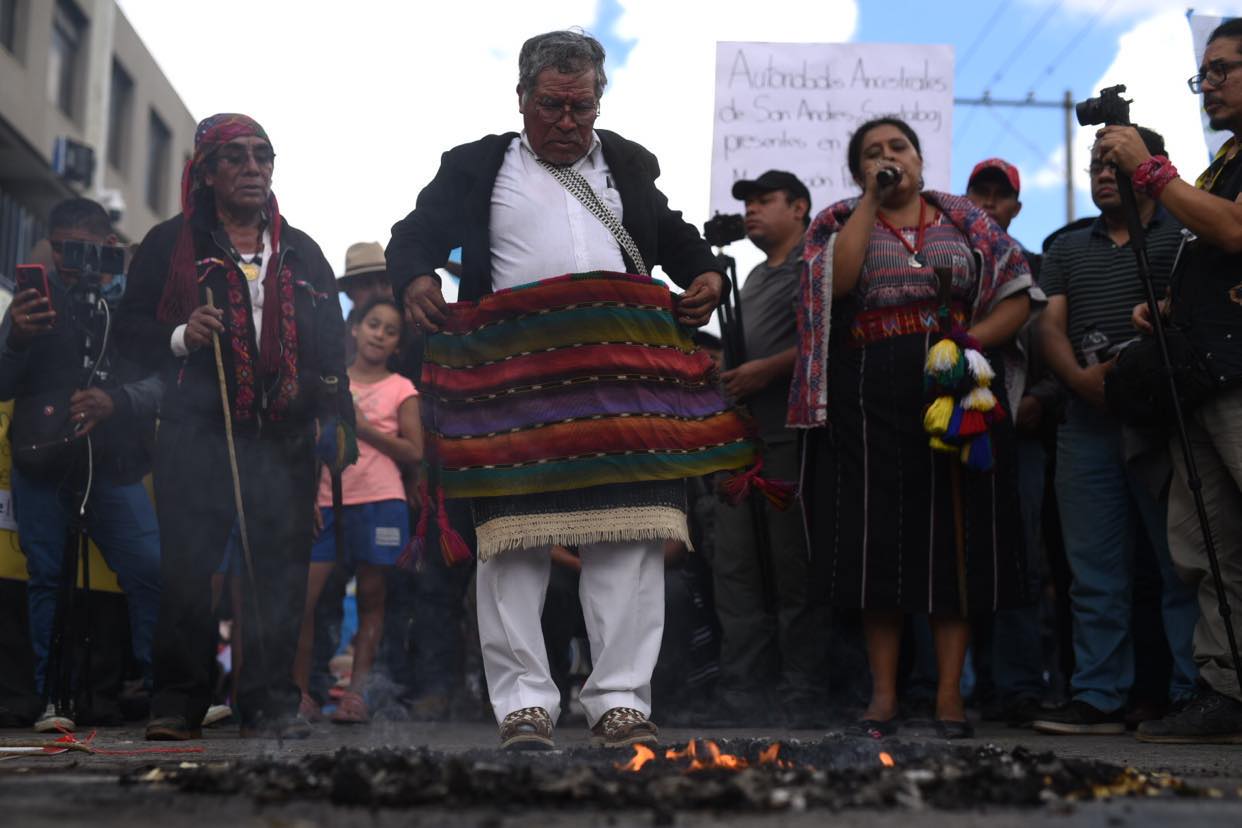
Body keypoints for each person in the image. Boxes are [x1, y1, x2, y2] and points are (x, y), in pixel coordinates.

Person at [387, 29, 724, 750]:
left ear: (599, 101)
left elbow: (672, 233)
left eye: (581, 108)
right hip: (517, 382)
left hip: (619, 381)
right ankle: (524, 707)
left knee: (630, 536)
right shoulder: (478, 166)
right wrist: (416, 275)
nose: (567, 123)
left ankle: (619, 701)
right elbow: (413, 234)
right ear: (521, 99)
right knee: (511, 543)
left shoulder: (629, 165)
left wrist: (705, 273)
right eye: (551, 107)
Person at [788, 117, 1035, 739]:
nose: (887, 157)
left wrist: (964, 347)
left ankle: (950, 699)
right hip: (867, 397)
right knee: (879, 547)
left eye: (897, 148)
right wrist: (870, 200)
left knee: (954, 543)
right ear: (857, 172)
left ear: (921, 160)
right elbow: (838, 285)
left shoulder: (964, 219)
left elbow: (1016, 293)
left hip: (955, 390)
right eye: (872, 154)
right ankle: (883, 700)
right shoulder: (838, 221)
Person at [118, 113, 352, 740]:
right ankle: (177, 700)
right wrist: (179, 334)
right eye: (238, 157)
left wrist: (337, 423)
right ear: (207, 172)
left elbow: (332, 349)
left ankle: (271, 700)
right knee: (190, 571)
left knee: (278, 571)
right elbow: (127, 335)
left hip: (283, 439)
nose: (254, 169)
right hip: (198, 433)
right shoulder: (170, 246)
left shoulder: (303, 251)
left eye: (263, 156)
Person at [1095, 17, 1242, 742]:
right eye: (1204, 74)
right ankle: (1227, 690)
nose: (1208, 84)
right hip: (1207, 373)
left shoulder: (1210, 176)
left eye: (1222, 70)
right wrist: (1173, 305)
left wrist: (1154, 173)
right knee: (1209, 541)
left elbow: (1238, 232)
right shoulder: (1225, 163)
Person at [1031, 129, 1198, 736]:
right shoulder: (1069, 247)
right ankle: (1098, 697)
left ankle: (1191, 694)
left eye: (1113, 162)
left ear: (1146, 166)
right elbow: (1051, 324)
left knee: (1182, 565)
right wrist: (1079, 378)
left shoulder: (1182, 235)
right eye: (1095, 164)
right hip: (1087, 426)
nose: (1102, 173)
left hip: (1163, 423)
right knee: (1094, 572)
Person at [0, 197, 161, 733]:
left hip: (113, 462)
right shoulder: (33, 300)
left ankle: (161, 691)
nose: (74, 263)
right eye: (63, 250)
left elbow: (161, 383)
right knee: (47, 577)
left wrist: (116, 399)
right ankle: (51, 702)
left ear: (110, 248)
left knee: (148, 568)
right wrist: (18, 339)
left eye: (85, 251)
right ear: (48, 246)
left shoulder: (131, 305)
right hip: (41, 458)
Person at [711, 170, 827, 724]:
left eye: (765, 201)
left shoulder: (815, 262)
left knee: (791, 567)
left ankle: (802, 691)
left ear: (799, 207)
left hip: (790, 434)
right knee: (738, 570)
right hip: (744, 438)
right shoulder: (754, 277)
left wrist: (763, 372)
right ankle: (744, 693)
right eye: (748, 203)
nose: (752, 211)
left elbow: (822, 338)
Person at [294, 296, 421, 724]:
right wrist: (311, 496)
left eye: (390, 331)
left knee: (372, 597)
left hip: (382, 501)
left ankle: (357, 694)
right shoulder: (332, 386)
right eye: (373, 325)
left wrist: (364, 429)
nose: (380, 335)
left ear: (397, 345)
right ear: (354, 328)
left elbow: (414, 450)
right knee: (305, 599)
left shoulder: (402, 388)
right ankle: (299, 694)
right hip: (330, 499)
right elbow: (312, 449)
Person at [965, 159, 1061, 725]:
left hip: (1017, 432)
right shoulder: (939, 262)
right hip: (946, 432)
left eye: (1002, 196)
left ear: (1016, 209)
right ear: (965, 197)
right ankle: (946, 686)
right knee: (947, 558)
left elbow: (1053, 348)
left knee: (1018, 559)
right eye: (981, 191)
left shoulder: (1035, 267)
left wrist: (1041, 398)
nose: (990, 203)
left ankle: (1020, 686)